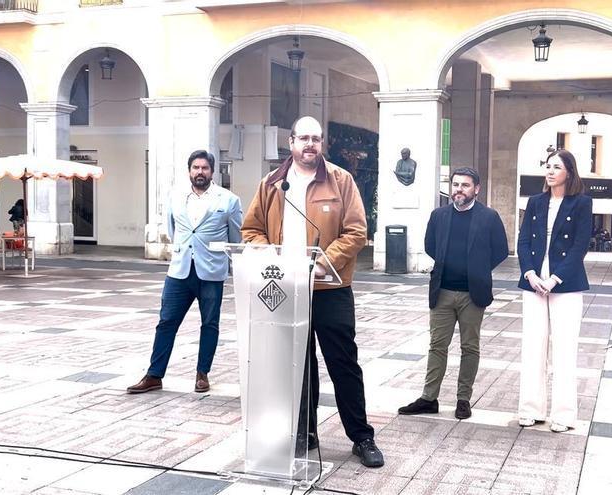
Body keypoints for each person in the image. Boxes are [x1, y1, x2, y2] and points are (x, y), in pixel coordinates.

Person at [241, 116, 384, 468]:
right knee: (297, 366)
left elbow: (356, 231)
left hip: (330, 288)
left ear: (323, 144)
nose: (310, 145)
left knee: (343, 364)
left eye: (316, 139)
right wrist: (273, 259)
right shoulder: (272, 183)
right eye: (303, 138)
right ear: (290, 142)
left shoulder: (341, 180)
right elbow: (251, 230)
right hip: (286, 288)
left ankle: (361, 436)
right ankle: (305, 433)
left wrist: (321, 263)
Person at [127, 150, 243, 394]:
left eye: (204, 168)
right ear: (189, 170)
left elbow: (236, 238)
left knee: (210, 323)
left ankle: (203, 374)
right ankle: (154, 375)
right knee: (166, 322)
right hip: (179, 271)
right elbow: (173, 230)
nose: (200, 172)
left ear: (213, 171)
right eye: (195, 168)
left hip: (211, 272)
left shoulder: (228, 200)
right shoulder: (176, 196)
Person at [397, 167, 508, 420]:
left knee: (470, 347)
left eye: (465, 185)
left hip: (473, 294)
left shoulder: (489, 217)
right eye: (455, 184)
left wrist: (478, 268)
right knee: (437, 346)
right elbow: (430, 245)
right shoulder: (439, 215)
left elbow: (500, 250)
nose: (458, 189)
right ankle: (429, 398)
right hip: (443, 292)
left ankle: (463, 399)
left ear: (476, 189)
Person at [516, 149, 593, 433]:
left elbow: (579, 246)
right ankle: (530, 410)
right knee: (533, 346)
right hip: (533, 282)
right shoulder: (535, 202)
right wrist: (530, 273)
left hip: (566, 284)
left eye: (556, 167)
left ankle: (563, 415)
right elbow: (523, 241)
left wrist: (554, 279)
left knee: (564, 349)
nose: (549, 171)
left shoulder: (582, 203)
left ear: (569, 173)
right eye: (547, 166)